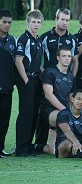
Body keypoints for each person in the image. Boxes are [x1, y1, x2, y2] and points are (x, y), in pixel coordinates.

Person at [15, 10, 44, 157]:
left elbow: (38, 63)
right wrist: (26, 80)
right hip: (27, 80)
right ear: (28, 22)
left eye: (39, 22)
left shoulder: (38, 40)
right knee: (26, 114)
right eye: (33, 21)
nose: (36, 24)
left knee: (33, 114)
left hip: (36, 80)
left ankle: (28, 145)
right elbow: (18, 60)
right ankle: (21, 148)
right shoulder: (23, 38)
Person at [35, 47, 74, 154]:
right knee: (63, 116)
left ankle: (38, 147)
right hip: (49, 111)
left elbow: (71, 97)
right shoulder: (50, 72)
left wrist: (71, 110)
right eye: (64, 56)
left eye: (69, 56)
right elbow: (48, 95)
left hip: (64, 111)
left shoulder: (71, 76)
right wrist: (64, 110)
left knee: (53, 151)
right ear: (58, 57)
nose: (67, 58)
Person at [40, 8, 78, 75]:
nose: (65, 23)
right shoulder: (45, 37)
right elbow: (36, 58)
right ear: (56, 19)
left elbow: (75, 61)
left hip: (65, 79)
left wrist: (72, 78)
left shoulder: (73, 39)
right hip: (48, 77)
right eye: (62, 19)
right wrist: (43, 72)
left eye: (67, 20)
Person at [0, 9, 16, 158]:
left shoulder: (12, 41)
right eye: (4, 22)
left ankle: (0, 148)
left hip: (6, 88)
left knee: (4, 120)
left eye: (9, 22)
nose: (7, 25)